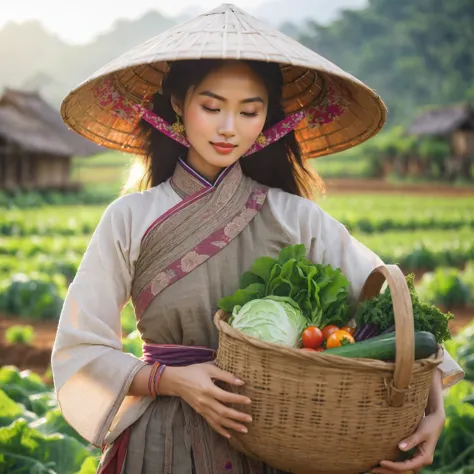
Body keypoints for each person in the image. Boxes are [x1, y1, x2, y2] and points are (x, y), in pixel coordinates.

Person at [52, 4, 464, 474]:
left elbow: (391, 314)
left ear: (267, 120)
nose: (230, 128)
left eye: (250, 112)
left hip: (277, 436)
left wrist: (433, 407)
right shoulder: (128, 217)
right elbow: (81, 348)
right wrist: (172, 380)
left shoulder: (296, 217)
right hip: (162, 443)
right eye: (212, 107)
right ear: (177, 104)